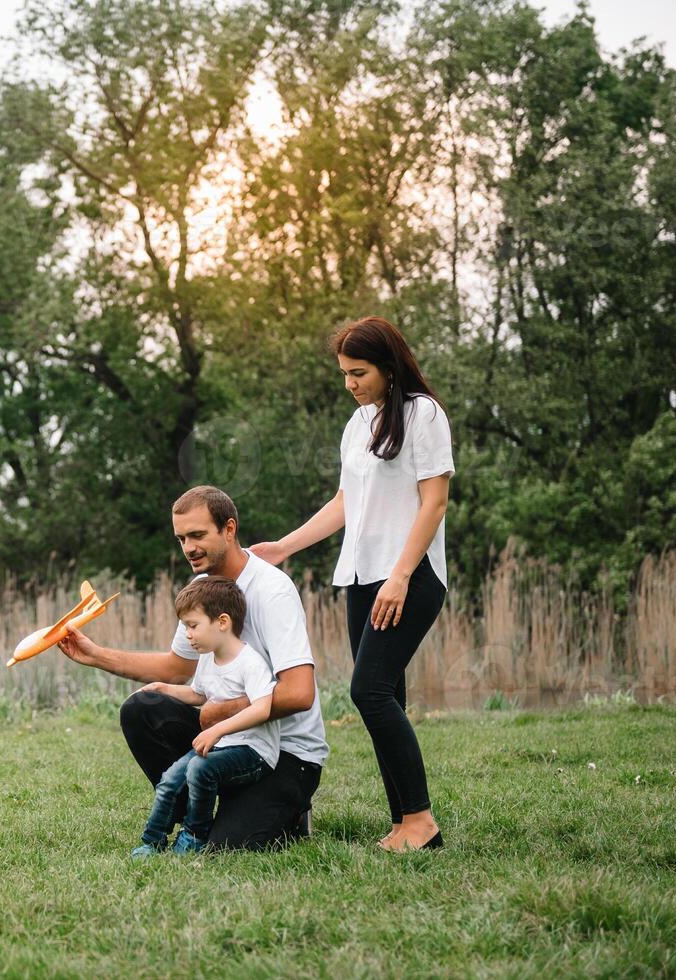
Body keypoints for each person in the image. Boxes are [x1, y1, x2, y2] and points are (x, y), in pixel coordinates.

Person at [250, 315, 454, 852]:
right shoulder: (360, 422)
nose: (350, 384)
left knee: (368, 691)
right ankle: (404, 824)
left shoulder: (423, 414)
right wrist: (284, 547)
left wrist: (402, 577)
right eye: (344, 373)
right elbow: (346, 503)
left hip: (409, 576)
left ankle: (420, 821)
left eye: (358, 372)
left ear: (389, 366)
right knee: (388, 695)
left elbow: (434, 502)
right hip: (362, 577)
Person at [59, 485, 328, 851]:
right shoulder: (202, 587)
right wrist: (95, 655)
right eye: (181, 538)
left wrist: (222, 711)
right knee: (143, 709)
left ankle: (288, 811)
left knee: (228, 848)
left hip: (285, 752)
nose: (189, 548)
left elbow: (299, 693)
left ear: (229, 529)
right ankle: (195, 821)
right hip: (227, 743)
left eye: (198, 535)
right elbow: (175, 670)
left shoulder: (272, 591)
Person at [131, 576, 280, 858]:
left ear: (222, 622)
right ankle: (153, 841)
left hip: (254, 751)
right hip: (222, 744)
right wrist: (164, 689)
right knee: (170, 778)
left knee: (200, 770)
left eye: (193, 625)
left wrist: (217, 730)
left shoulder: (250, 663)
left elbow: (263, 708)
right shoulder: (208, 659)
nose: (188, 634)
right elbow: (199, 694)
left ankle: (195, 836)